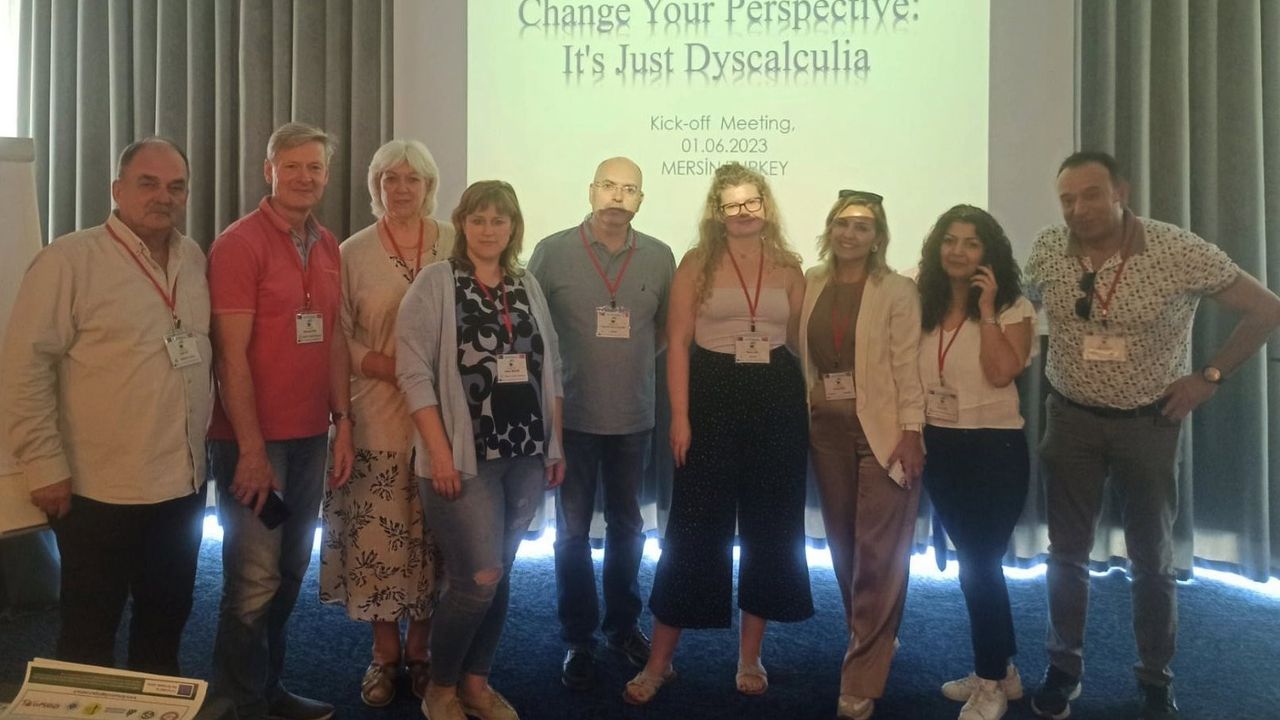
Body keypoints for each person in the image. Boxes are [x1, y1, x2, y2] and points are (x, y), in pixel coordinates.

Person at [1025, 151, 1280, 720]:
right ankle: (1063, 669)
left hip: (1149, 424)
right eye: (1067, 198)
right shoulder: (1047, 248)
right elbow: (1021, 305)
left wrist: (1209, 378)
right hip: (1070, 420)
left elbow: (1266, 309)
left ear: (1121, 193)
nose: (1078, 208)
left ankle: (1154, 678)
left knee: (1151, 560)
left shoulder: (1175, 249)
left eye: (1091, 194)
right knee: (1065, 553)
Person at [0, 137, 209, 675]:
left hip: (181, 485)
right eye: (148, 183)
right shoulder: (69, 260)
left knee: (165, 623)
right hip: (100, 489)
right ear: (117, 190)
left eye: (176, 186)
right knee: (89, 634)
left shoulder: (192, 258)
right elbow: (24, 368)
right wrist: (43, 463)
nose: (164, 196)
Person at [625, 162, 812, 705]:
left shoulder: (790, 267)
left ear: (766, 205)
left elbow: (802, 345)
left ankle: (750, 656)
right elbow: (678, 345)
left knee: (769, 529)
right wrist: (680, 417)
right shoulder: (696, 263)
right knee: (692, 530)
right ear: (717, 211)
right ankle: (660, 662)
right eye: (732, 204)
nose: (743, 212)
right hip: (710, 398)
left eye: (751, 201)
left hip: (775, 400)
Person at [397, 180, 565, 720]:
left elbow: (551, 368)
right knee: (478, 581)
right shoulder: (437, 282)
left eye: (499, 219)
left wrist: (555, 446)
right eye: (478, 219)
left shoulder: (526, 283)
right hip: (463, 461)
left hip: (525, 456)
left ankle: (475, 683)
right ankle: (440, 688)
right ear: (462, 224)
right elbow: (412, 372)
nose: (489, 229)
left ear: (514, 227)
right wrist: (440, 453)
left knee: (500, 575)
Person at [207, 122, 355, 720]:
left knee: (291, 570)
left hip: (309, 439)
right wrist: (249, 450)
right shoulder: (238, 245)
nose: (304, 177)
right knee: (253, 582)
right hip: (256, 445)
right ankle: (235, 701)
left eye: (314, 167)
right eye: (291, 166)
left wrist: (343, 421)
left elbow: (334, 340)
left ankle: (267, 690)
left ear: (327, 175)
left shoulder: (327, 244)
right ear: (268, 170)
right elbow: (229, 357)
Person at [528, 157, 675, 690]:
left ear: (641, 199)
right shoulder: (552, 251)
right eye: (609, 186)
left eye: (629, 189)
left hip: (633, 418)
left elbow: (664, 331)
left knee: (628, 527)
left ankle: (622, 627)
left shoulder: (660, 256)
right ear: (591, 191)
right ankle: (578, 638)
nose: (618, 196)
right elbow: (533, 329)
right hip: (572, 417)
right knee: (570, 532)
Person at [319, 139, 454, 706]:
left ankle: (421, 653)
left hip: (444, 422)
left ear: (429, 186)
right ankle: (384, 654)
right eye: (389, 179)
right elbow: (337, 336)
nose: (400, 189)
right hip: (376, 414)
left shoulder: (454, 241)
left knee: (434, 541)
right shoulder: (351, 252)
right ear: (375, 187)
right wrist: (391, 368)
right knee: (379, 537)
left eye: (411, 179)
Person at [797, 190, 925, 720]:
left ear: (878, 238)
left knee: (878, 552)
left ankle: (861, 676)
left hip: (884, 431)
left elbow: (908, 365)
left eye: (863, 226)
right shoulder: (810, 281)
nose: (850, 233)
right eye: (843, 223)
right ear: (830, 228)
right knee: (845, 546)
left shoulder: (897, 289)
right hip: (825, 430)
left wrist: (912, 431)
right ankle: (871, 634)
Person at [915, 205, 1035, 720]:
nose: (958, 251)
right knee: (974, 564)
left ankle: (989, 681)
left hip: (994, 448)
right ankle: (1003, 672)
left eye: (971, 242)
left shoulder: (1012, 306)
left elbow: (1002, 371)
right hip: (940, 445)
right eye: (950, 240)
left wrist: (985, 311)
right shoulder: (922, 301)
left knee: (980, 565)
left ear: (989, 253)